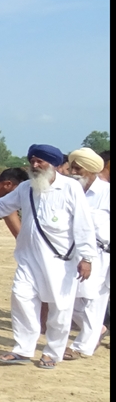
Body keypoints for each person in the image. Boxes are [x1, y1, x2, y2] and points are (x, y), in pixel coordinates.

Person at [0, 145, 96, 369]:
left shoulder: (70, 188)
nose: (34, 165)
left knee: (60, 308)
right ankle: (23, 348)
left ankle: (53, 352)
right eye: (32, 161)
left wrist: (87, 258)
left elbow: (84, 225)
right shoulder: (26, 188)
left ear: (53, 165)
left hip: (60, 260)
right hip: (28, 258)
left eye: (40, 161)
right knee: (21, 297)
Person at [65, 148, 109, 359]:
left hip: (101, 254)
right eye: (72, 168)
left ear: (91, 170)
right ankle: (96, 331)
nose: (73, 172)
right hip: (73, 252)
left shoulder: (106, 192)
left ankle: (82, 346)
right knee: (69, 298)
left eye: (78, 169)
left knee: (93, 300)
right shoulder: (70, 190)